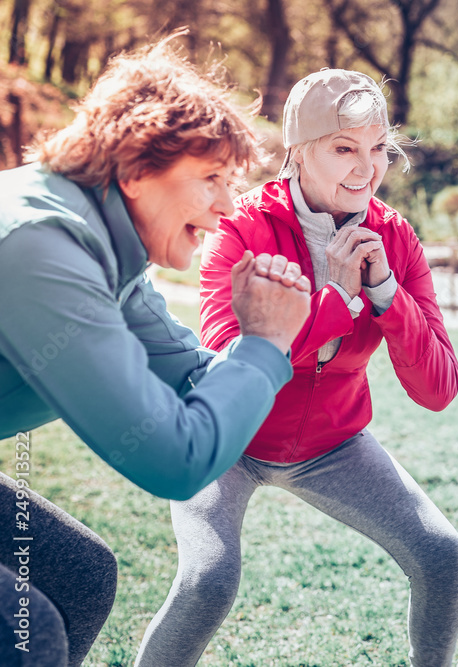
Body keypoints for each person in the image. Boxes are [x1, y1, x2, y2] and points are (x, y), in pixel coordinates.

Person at [135, 68, 458, 666]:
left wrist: (388, 295)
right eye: (344, 149)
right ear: (299, 152)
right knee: (208, 579)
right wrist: (335, 304)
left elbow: (439, 388)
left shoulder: (395, 238)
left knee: (441, 555)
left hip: (334, 444)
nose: (366, 169)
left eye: (378, 150)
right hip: (225, 438)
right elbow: (223, 369)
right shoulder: (242, 228)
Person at [0, 35, 310, 666]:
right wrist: (264, 345)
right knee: (27, 636)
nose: (229, 208)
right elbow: (173, 459)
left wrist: (276, 344)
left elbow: (195, 375)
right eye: (212, 179)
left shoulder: (108, 247)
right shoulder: (42, 244)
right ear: (137, 169)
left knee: (80, 578)